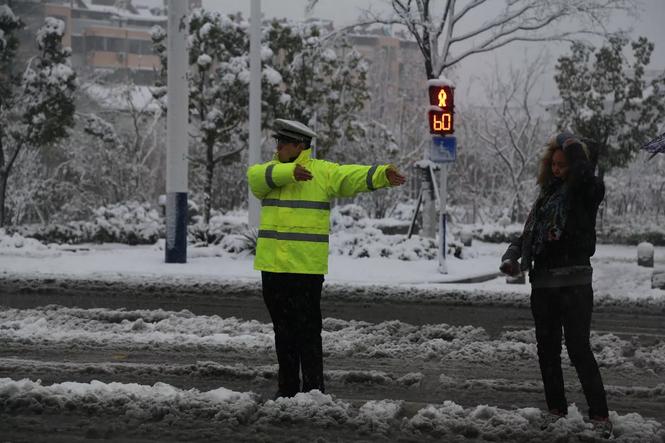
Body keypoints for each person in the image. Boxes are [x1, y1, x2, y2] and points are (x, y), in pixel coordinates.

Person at [247, 118, 406, 399]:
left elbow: (349, 177)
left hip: (306, 270)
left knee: (307, 334)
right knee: (283, 335)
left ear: (299, 145)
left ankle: (313, 391)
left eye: (283, 143)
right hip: (273, 269)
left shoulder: (321, 172)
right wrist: (290, 173)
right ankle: (287, 391)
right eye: (278, 142)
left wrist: (380, 175)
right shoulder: (271, 173)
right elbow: (255, 179)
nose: (278, 147)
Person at [499, 132, 612, 438]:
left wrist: (573, 145)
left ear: (576, 165)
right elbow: (528, 236)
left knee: (578, 349)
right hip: (544, 285)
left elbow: (586, 178)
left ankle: (600, 415)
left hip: (575, 284)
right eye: (554, 165)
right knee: (547, 351)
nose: (558, 170)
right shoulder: (546, 197)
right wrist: (512, 256)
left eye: (563, 165)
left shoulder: (585, 192)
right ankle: (556, 409)